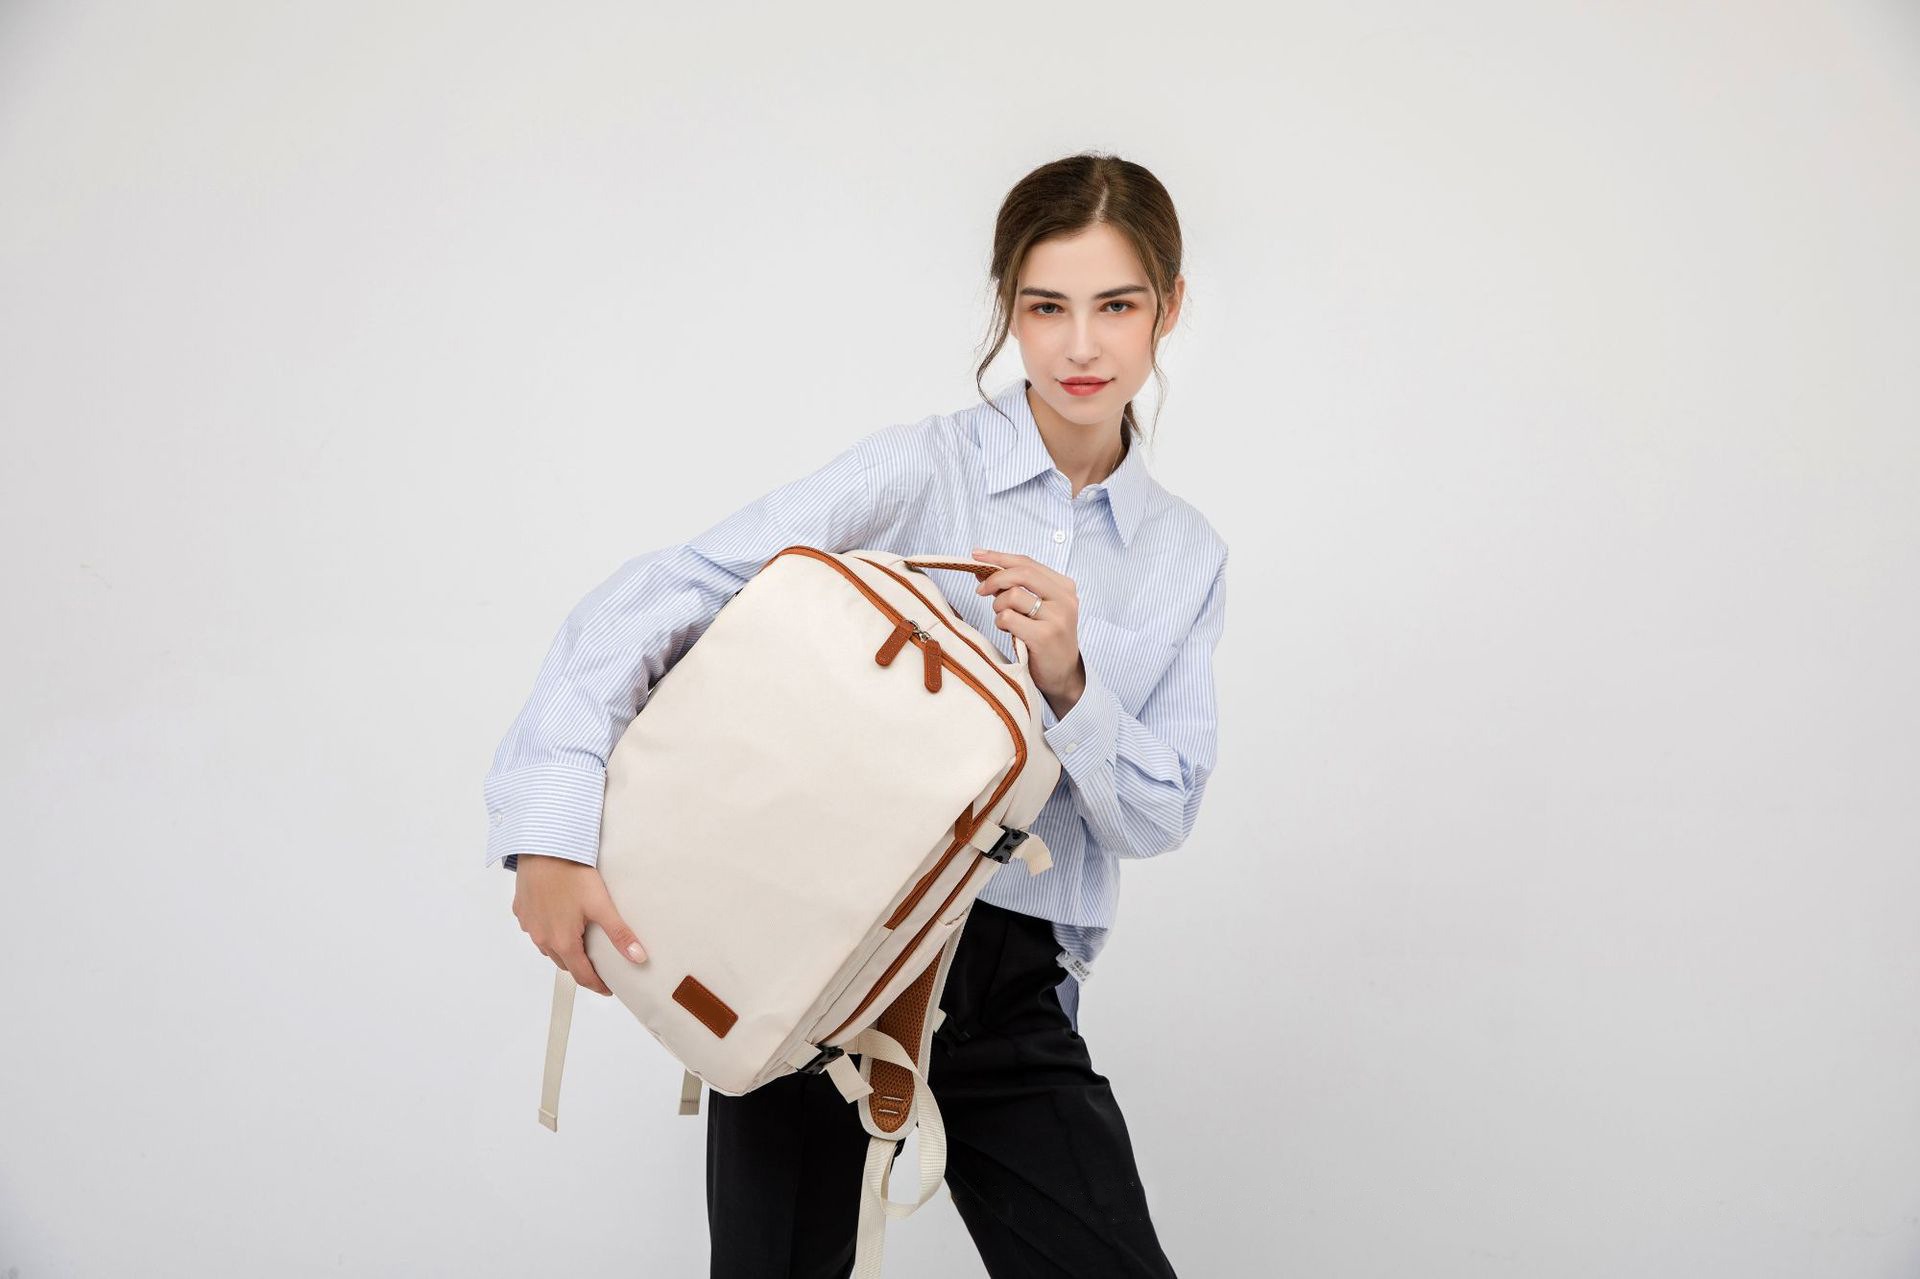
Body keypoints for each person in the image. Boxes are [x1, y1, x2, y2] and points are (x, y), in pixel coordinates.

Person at [483, 151, 1228, 1278]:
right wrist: (550, 823)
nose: (1082, 346)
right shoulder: (925, 464)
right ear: (1008, 308)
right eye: (1047, 307)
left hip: (1008, 979)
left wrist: (1073, 682)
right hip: (815, 940)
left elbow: (1159, 814)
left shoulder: (1186, 555)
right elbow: (691, 584)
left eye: (1116, 306)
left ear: (1169, 307)